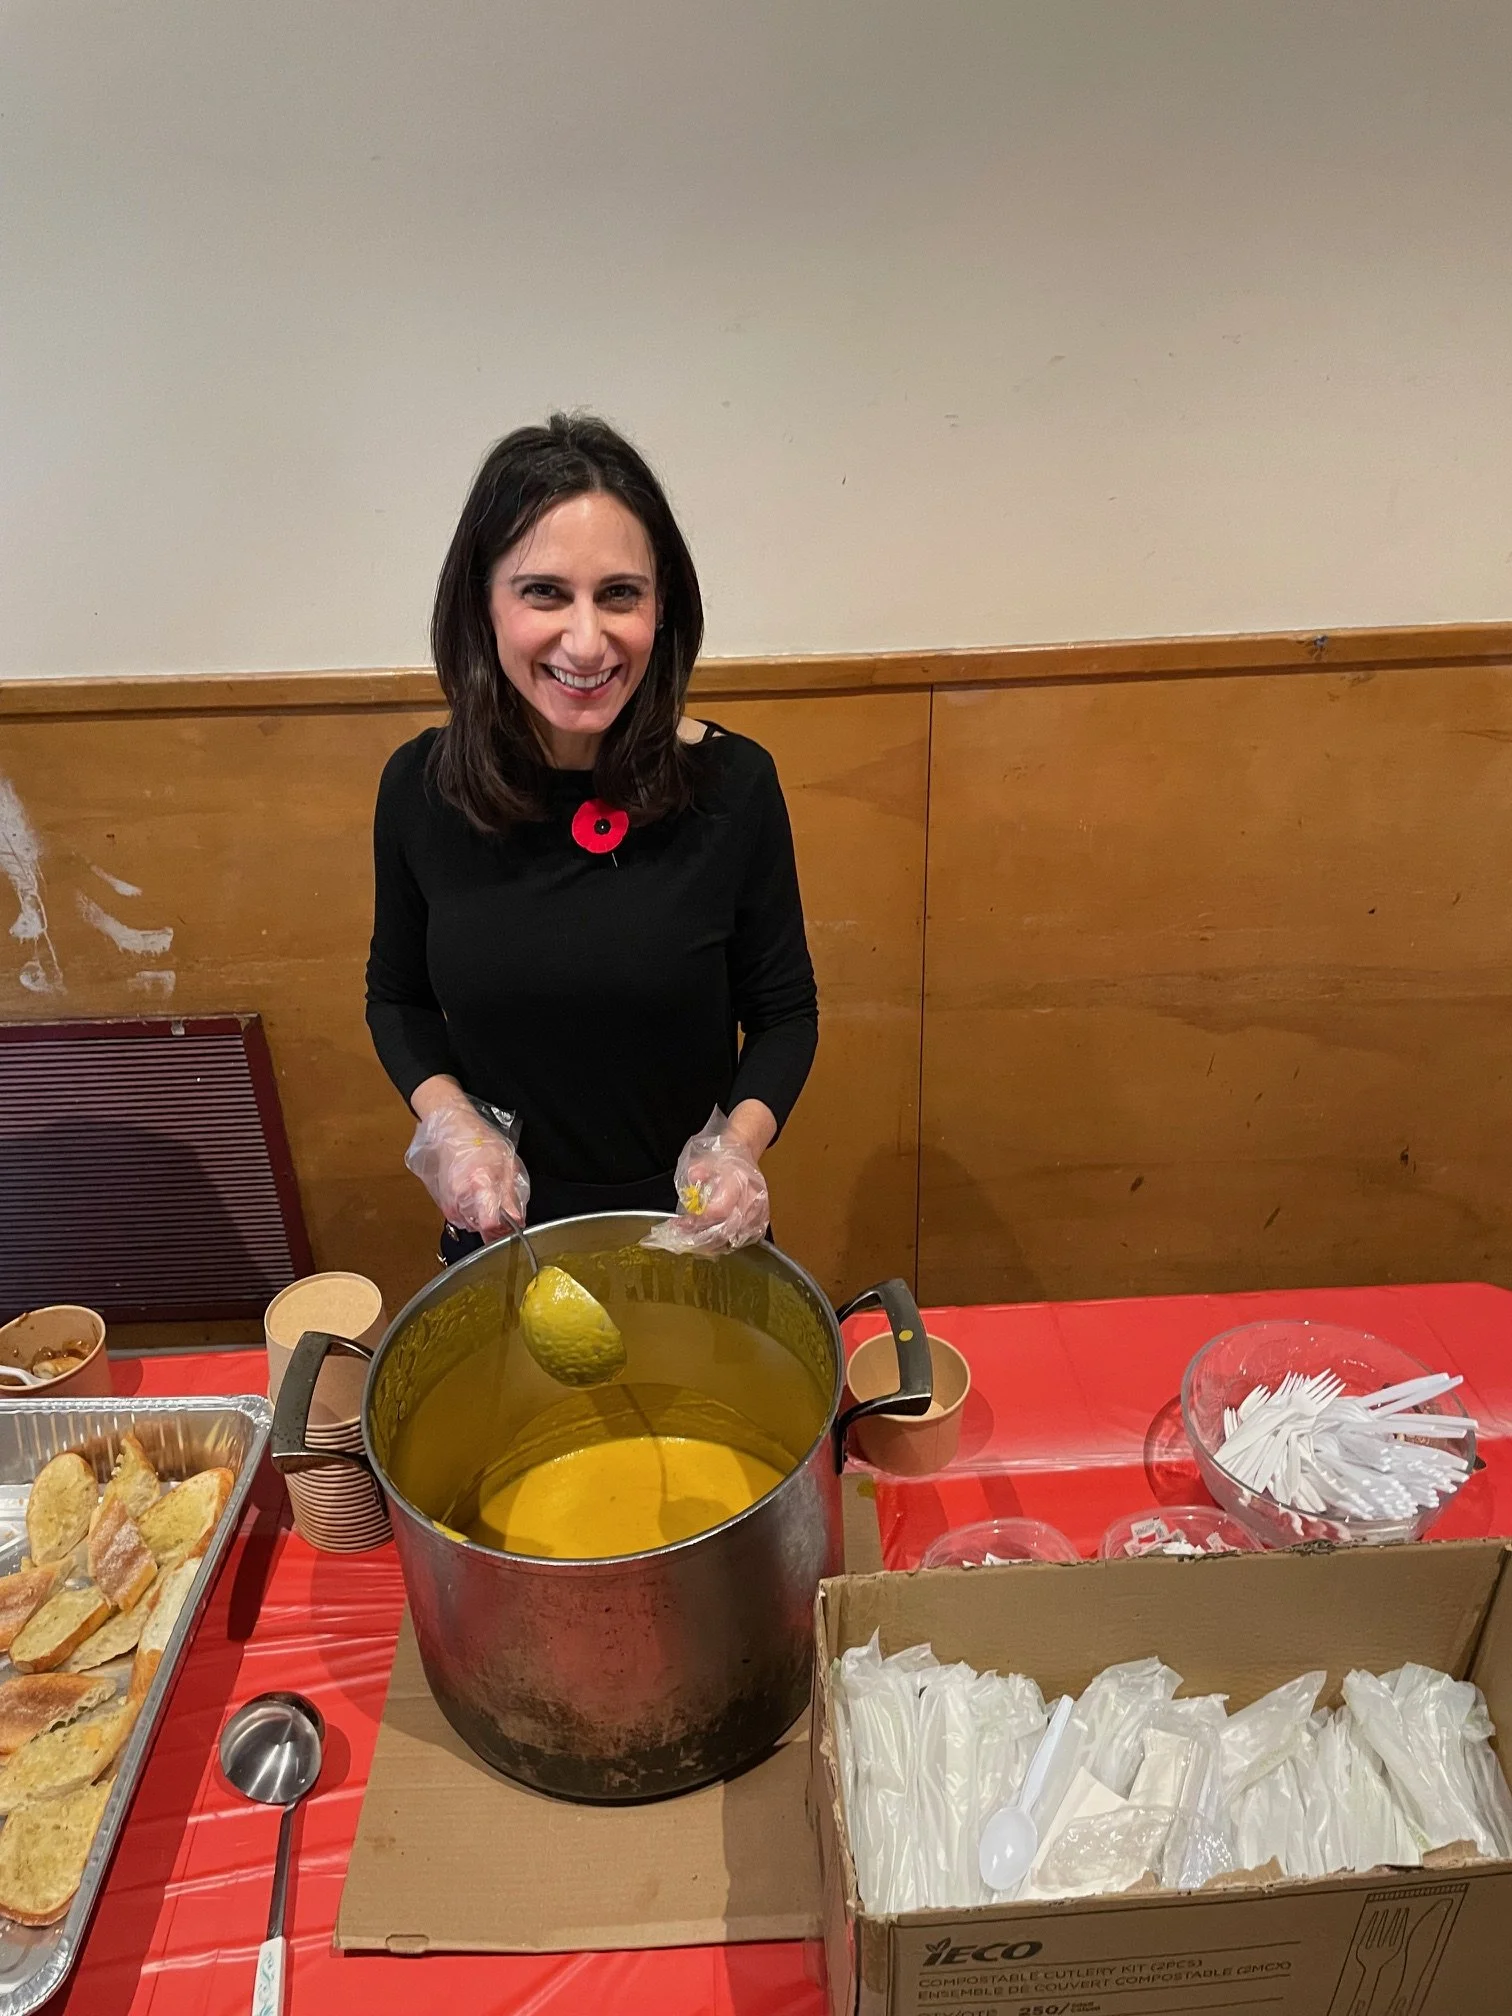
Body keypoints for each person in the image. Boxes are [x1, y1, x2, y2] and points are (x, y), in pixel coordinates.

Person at [365, 413, 818, 1263]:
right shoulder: (420, 789)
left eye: (620, 594)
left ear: (662, 607)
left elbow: (786, 1013)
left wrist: (737, 1150)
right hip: (508, 1238)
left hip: (695, 1230)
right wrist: (454, 1128)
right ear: (483, 603)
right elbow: (398, 998)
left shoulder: (735, 786)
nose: (586, 640)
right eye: (544, 592)